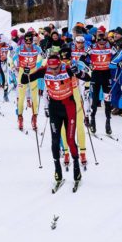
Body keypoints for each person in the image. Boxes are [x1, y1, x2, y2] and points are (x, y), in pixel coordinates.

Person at [24, 54, 82, 191]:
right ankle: (58, 171)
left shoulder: (67, 68)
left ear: (60, 64)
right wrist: (26, 73)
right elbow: (25, 79)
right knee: (55, 141)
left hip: (69, 107)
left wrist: (77, 72)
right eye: (51, 68)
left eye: (56, 68)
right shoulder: (44, 70)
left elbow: (87, 77)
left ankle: (76, 168)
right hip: (54, 108)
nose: (54, 71)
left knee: (70, 140)